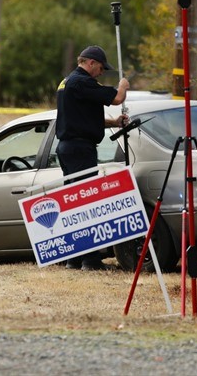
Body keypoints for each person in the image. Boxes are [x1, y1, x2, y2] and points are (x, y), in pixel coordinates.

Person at [55, 45, 130, 270]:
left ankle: (75, 259)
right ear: (90, 63)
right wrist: (123, 85)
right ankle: (90, 260)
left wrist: (114, 123)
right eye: (100, 68)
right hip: (80, 150)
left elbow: (83, 117)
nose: (101, 73)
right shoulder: (82, 82)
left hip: (68, 148)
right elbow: (117, 98)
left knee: (75, 203)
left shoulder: (67, 82)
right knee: (86, 203)